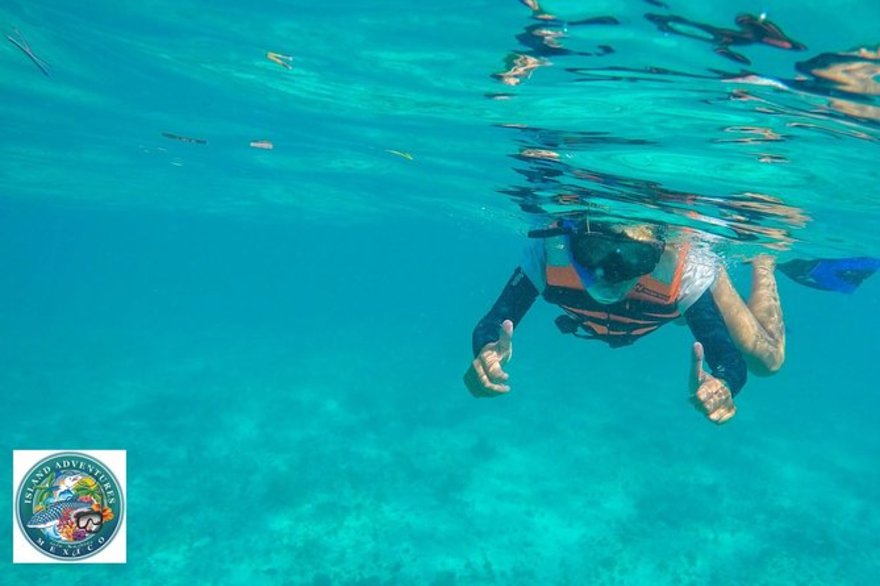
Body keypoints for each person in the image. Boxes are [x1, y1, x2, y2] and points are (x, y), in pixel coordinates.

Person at [463, 216, 787, 424]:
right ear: (573, 237)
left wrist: (724, 382)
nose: (610, 277)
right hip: (662, 303)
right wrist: (487, 348)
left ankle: (761, 261)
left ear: (657, 251)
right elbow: (495, 320)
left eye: (636, 257)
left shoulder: (682, 270)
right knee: (679, 308)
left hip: (676, 293)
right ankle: (683, 297)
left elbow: (728, 359)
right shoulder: (549, 250)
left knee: (765, 361)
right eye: (594, 250)